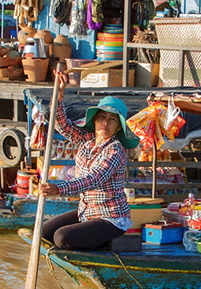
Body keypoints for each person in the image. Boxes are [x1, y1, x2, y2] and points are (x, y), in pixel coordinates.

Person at [39, 71, 140, 250]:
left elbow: (94, 179)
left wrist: (58, 188)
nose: (105, 123)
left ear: (118, 128)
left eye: (112, 120)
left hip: (110, 218)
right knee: (43, 232)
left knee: (62, 238)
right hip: (87, 211)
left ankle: (99, 245)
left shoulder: (115, 150)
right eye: (102, 117)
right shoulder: (87, 140)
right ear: (94, 120)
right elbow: (61, 124)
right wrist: (60, 93)